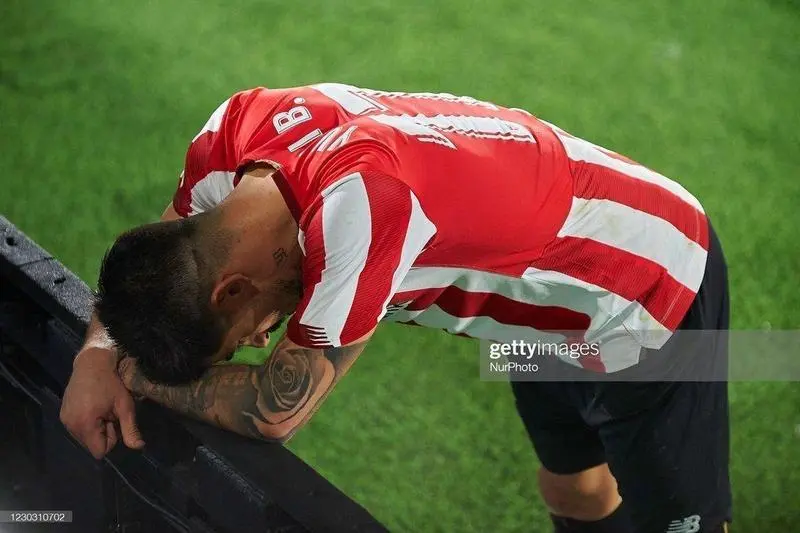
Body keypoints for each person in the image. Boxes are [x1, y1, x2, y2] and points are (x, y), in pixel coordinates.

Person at [60, 83, 731, 533]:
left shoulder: (359, 206)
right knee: (574, 489)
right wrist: (95, 352)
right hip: (542, 319)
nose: (263, 338)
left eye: (238, 337)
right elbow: (154, 257)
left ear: (231, 290)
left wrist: (135, 375)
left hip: (650, 296)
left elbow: (274, 408)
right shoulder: (231, 137)